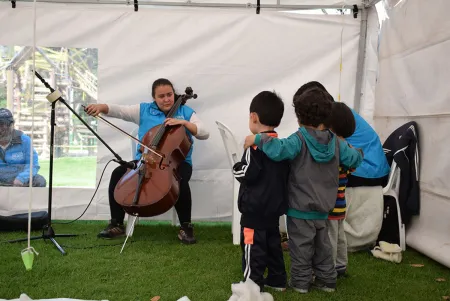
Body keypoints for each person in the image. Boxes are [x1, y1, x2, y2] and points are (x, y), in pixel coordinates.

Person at [243, 88, 363, 293]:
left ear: (299, 116)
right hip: (325, 208)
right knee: (323, 247)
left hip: (299, 208)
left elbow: (278, 149)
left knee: (301, 248)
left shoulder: (298, 139)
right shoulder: (336, 142)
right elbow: (354, 159)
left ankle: (300, 283)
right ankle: (327, 281)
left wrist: (256, 139)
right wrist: (357, 152)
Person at [85, 78, 209, 244]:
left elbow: (204, 133)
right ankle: (116, 223)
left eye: (170, 95)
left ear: (174, 94)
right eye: (161, 96)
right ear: (154, 98)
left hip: (178, 162)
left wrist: (184, 123)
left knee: (180, 179)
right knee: (118, 173)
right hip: (144, 161)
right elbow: (120, 111)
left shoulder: (186, 112)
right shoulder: (144, 110)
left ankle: (186, 226)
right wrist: (101, 107)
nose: (167, 99)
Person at [294, 81, 390, 251]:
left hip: (367, 170)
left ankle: (310, 235)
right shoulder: (338, 112)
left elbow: (319, 153)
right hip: (372, 168)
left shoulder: (330, 118)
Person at [232, 91, 289, 292]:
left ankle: (251, 284)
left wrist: (236, 167)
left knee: (251, 246)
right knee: (273, 245)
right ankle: (278, 279)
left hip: (253, 211)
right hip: (273, 209)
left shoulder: (255, 146)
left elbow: (248, 172)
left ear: (253, 117)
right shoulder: (282, 147)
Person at [326, 102, 357, 277]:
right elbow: (352, 168)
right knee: (339, 236)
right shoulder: (349, 149)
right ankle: (340, 265)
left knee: (329, 238)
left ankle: (328, 269)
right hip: (341, 202)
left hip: (330, 203)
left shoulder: (333, 147)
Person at [0, 108, 46, 187]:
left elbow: (33, 164)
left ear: (12, 125)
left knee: (40, 181)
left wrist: (21, 178)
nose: (3, 128)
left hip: (19, 175)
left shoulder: (24, 140)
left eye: (7, 124)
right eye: (0, 124)